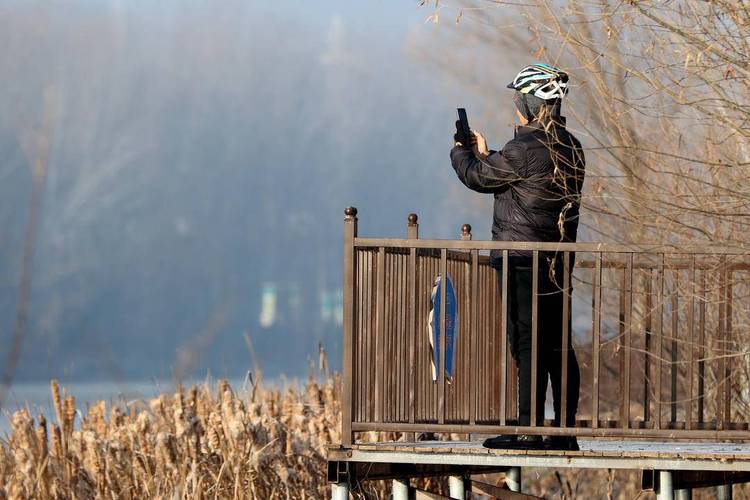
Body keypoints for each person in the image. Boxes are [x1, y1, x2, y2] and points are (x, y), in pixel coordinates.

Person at [450, 64, 585, 451]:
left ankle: (527, 430)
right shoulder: (570, 146)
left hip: (521, 260)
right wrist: (488, 153)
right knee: (558, 343)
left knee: (526, 341)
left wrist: (460, 152)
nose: (515, 107)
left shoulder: (523, 148)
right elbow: (525, 179)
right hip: (557, 262)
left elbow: (478, 177)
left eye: (518, 99)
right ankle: (564, 433)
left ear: (528, 102)